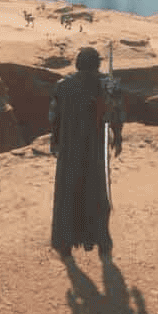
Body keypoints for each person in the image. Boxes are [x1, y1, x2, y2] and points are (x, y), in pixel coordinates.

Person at [50, 46, 125, 261]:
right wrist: (117, 137)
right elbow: (117, 112)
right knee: (97, 192)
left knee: (69, 193)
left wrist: (54, 142)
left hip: (71, 147)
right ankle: (100, 241)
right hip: (93, 149)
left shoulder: (63, 86)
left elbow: (53, 117)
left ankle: (67, 242)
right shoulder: (108, 85)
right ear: (97, 64)